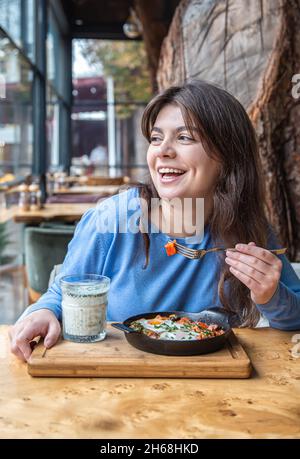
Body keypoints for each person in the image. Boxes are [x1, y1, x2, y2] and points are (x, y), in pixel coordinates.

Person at [10, 80, 300, 361]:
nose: (162, 151)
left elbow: (295, 317)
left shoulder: (248, 228)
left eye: (184, 137)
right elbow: (61, 293)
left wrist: (270, 295)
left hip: (214, 385)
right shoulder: (112, 219)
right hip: (118, 378)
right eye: (156, 138)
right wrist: (43, 312)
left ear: (228, 156)